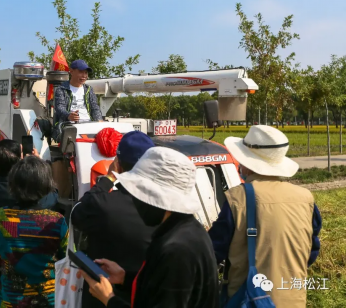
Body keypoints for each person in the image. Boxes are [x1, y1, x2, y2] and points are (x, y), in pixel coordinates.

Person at [81, 147, 219, 307]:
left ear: (161, 200)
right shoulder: (186, 230)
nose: (135, 201)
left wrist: (109, 299)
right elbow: (162, 288)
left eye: (141, 195)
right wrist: (126, 278)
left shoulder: (176, 250)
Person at [208, 125, 322, 308]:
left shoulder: (238, 198)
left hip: (248, 300)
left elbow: (212, 252)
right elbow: (311, 250)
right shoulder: (305, 198)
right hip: (294, 300)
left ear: (246, 164)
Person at [71, 131, 157, 308]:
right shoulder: (165, 210)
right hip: (148, 297)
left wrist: (108, 180)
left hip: (103, 297)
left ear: (117, 164)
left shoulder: (103, 205)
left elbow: (76, 214)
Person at [0, 139, 58, 307]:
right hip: (20, 263)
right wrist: (37, 163)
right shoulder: (31, 197)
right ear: (20, 163)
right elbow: (53, 195)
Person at [0, 156, 68, 307]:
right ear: (46, 184)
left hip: (10, 299)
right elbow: (66, 259)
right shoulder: (56, 221)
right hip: (47, 300)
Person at [53, 59, 103, 135]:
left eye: (86, 73)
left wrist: (99, 120)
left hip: (89, 125)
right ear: (71, 71)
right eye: (81, 72)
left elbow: (94, 107)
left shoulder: (89, 89)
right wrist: (69, 115)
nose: (84, 76)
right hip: (69, 126)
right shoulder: (61, 89)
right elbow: (59, 107)